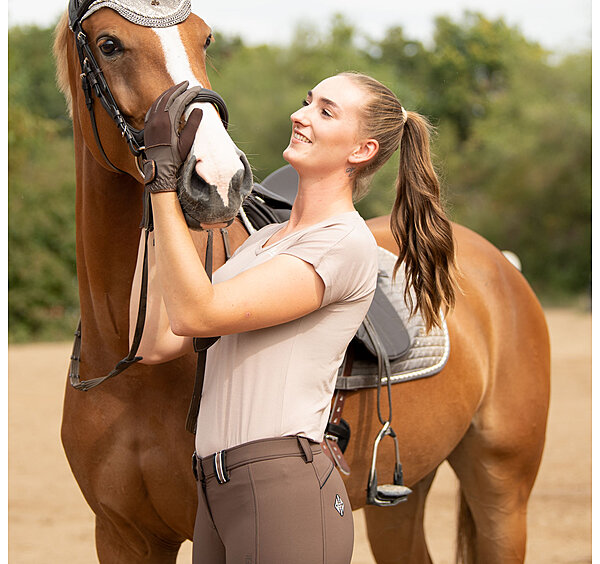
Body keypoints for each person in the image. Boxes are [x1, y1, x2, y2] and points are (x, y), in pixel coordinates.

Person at [130, 71, 457, 564]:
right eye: (307, 102)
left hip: (282, 486)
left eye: (325, 111)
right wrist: (154, 201)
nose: (299, 116)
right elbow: (155, 341)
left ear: (362, 150)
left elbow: (199, 312)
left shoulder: (342, 242)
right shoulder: (263, 242)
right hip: (215, 488)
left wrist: (161, 189)